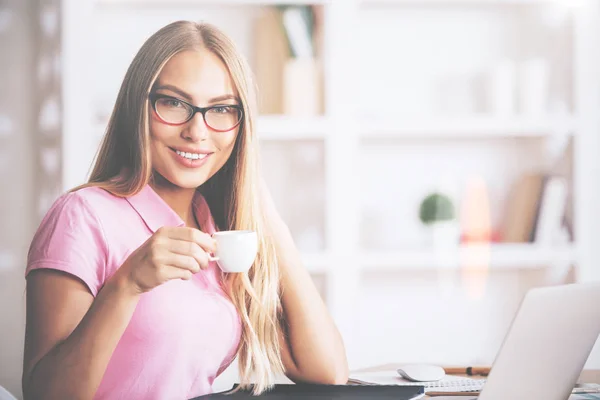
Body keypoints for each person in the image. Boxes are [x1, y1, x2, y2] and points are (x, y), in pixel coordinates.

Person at [22, 20, 348, 399]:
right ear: (137, 107)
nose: (198, 131)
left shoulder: (217, 226)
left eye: (222, 109)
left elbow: (328, 369)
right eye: (174, 103)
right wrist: (127, 285)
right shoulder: (81, 216)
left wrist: (266, 217)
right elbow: (45, 395)